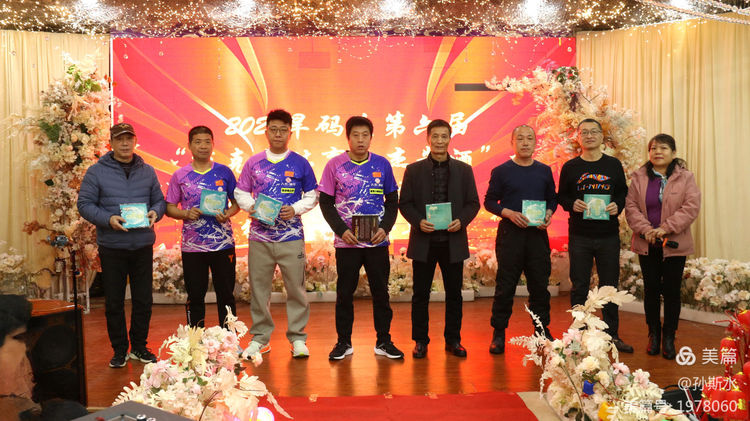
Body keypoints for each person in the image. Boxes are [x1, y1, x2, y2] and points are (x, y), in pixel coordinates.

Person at [78, 122, 166, 367]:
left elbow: (159, 201)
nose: (125, 143)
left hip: (142, 245)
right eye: (119, 139)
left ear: (135, 141)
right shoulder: (96, 172)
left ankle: (139, 347)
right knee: (114, 302)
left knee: (143, 300)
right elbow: (84, 204)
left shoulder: (147, 171)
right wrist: (108, 219)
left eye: (129, 138)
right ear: (111, 143)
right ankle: (119, 350)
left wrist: (155, 212)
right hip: (112, 246)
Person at [318, 116, 404, 360]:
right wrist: (341, 230)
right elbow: (326, 203)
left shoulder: (382, 164)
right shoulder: (334, 165)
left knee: (381, 293)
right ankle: (343, 342)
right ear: (348, 138)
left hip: (377, 242)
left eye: (365, 135)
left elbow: (392, 201)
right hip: (348, 243)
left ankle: (384, 341)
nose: (360, 140)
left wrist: (385, 228)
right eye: (355, 135)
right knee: (345, 294)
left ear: (371, 137)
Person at [235, 109, 318, 359]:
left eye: (283, 130)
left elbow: (312, 195)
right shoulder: (253, 162)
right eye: (274, 129)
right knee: (259, 290)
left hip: (291, 237)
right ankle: (260, 338)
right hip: (260, 237)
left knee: (296, 289)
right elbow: (240, 192)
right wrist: (253, 207)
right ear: (266, 132)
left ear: (290, 133)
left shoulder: (300, 163)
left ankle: (298, 338)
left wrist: (295, 209)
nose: (278, 134)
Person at [399, 119, 480, 358]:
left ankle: (453, 340)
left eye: (444, 136)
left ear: (450, 139)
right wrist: (418, 221)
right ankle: (420, 341)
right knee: (420, 295)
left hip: (453, 242)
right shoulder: (413, 170)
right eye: (435, 136)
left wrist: (461, 220)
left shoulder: (464, 170)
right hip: (424, 241)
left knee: (454, 294)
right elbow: (405, 203)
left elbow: (473, 203)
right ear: (428, 139)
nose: (439, 141)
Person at [558, 118, 633, 353]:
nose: (589, 136)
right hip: (579, 235)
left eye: (594, 132)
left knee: (609, 286)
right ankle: (578, 335)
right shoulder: (570, 167)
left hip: (608, 235)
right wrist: (572, 204)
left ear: (602, 136)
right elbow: (562, 196)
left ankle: (612, 336)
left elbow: (622, 193)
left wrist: (617, 205)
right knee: (579, 286)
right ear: (578, 137)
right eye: (584, 132)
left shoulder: (613, 165)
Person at [625, 134, 700, 360]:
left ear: (673, 153)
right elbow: (631, 207)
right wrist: (647, 230)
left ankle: (669, 336)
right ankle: (653, 334)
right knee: (651, 291)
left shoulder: (686, 177)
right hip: (647, 243)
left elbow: (691, 207)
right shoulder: (639, 177)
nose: (657, 152)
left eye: (663, 148)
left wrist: (665, 228)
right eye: (653, 148)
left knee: (671, 291)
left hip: (674, 243)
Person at [484, 125, 557, 354]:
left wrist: (548, 214)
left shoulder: (544, 171)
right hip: (511, 235)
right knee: (505, 286)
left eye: (530, 138)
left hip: (537, 236)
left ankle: (541, 330)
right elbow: (489, 202)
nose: (525, 143)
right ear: (512, 143)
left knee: (539, 285)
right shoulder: (501, 171)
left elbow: (552, 200)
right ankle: (499, 332)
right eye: (520, 139)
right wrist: (509, 213)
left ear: (535, 143)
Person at [165, 126, 240, 329]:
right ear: (189, 145)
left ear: (213, 144)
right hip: (193, 247)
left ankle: (229, 338)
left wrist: (228, 214)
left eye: (207, 141)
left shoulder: (224, 172)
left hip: (223, 245)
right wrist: (185, 214)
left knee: (226, 294)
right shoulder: (180, 175)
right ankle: (195, 338)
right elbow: (169, 208)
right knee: (195, 295)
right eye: (198, 142)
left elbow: (237, 203)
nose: (203, 146)